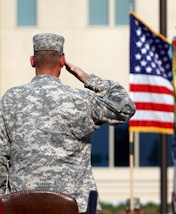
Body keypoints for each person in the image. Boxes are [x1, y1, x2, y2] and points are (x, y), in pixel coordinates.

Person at [0, 33, 136, 213]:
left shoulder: (11, 99)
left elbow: (1, 155)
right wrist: (88, 79)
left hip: (22, 204)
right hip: (73, 205)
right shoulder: (81, 99)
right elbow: (125, 107)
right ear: (62, 61)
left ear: (32, 61)